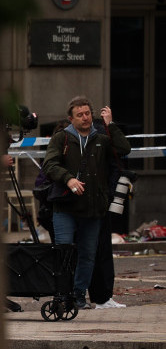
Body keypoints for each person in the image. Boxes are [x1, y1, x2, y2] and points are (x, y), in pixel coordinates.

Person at [42, 96, 131, 309]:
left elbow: (124, 149)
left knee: (88, 254)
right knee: (64, 251)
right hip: (65, 206)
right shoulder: (62, 138)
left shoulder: (101, 137)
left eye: (88, 113)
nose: (85, 118)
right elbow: (49, 165)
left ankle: (79, 295)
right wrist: (68, 178)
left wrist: (110, 125)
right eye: (80, 115)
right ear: (71, 119)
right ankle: (63, 294)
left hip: (93, 208)